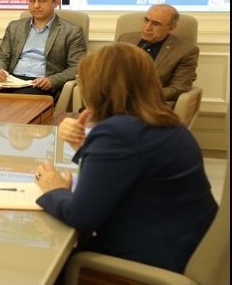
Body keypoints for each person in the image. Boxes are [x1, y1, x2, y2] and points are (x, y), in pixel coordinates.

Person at [35, 43, 217, 274]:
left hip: (152, 262)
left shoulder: (117, 133)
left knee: (43, 256)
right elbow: (127, 169)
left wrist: (54, 190)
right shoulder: (168, 122)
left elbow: (80, 216)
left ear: (97, 87)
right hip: (189, 246)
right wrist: (83, 147)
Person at [0, 0, 86, 99]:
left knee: (20, 99)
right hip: (11, 79)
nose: (36, 5)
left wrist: (52, 80)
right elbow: (2, 57)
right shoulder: (15, 26)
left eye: (42, 1)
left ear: (55, 3)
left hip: (40, 83)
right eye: (32, 1)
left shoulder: (72, 31)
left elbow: (76, 67)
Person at [117, 4, 198, 102]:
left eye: (155, 24)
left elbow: (178, 88)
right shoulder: (125, 39)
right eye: (146, 20)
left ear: (171, 28)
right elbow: (110, 72)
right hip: (117, 98)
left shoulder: (185, 50)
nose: (147, 27)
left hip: (150, 103)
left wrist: (144, 97)